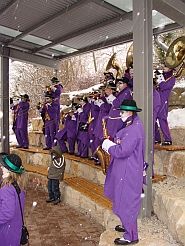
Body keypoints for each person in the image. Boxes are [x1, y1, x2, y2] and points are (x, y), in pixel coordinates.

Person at [102, 99, 146, 245]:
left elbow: (123, 151)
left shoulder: (133, 128)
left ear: (130, 112)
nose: (120, 114)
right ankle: (127, 225)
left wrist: (109, 147)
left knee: (126, 202)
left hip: (128, 171)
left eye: (122, 112)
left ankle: (131, 235)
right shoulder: (133, 124)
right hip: (127, 169)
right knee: (123, 199)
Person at [0, 153, 27, 246]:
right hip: (15, 226)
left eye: (4, 167)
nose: (2, 168)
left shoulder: (7, 188)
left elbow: (7, 213)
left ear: (10, 171)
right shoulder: (19, 183)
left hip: (6, 230)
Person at [155, 64, 175, 145]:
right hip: (157, 100)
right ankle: (157, 138)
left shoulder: (172, 78)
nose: (164, 68)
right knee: (153, 119)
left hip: (163, 100)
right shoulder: (163, 76)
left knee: (162, 119)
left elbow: (163, 86)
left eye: (166, 66)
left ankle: (168, 139)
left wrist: (160, 78)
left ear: (170, 68)